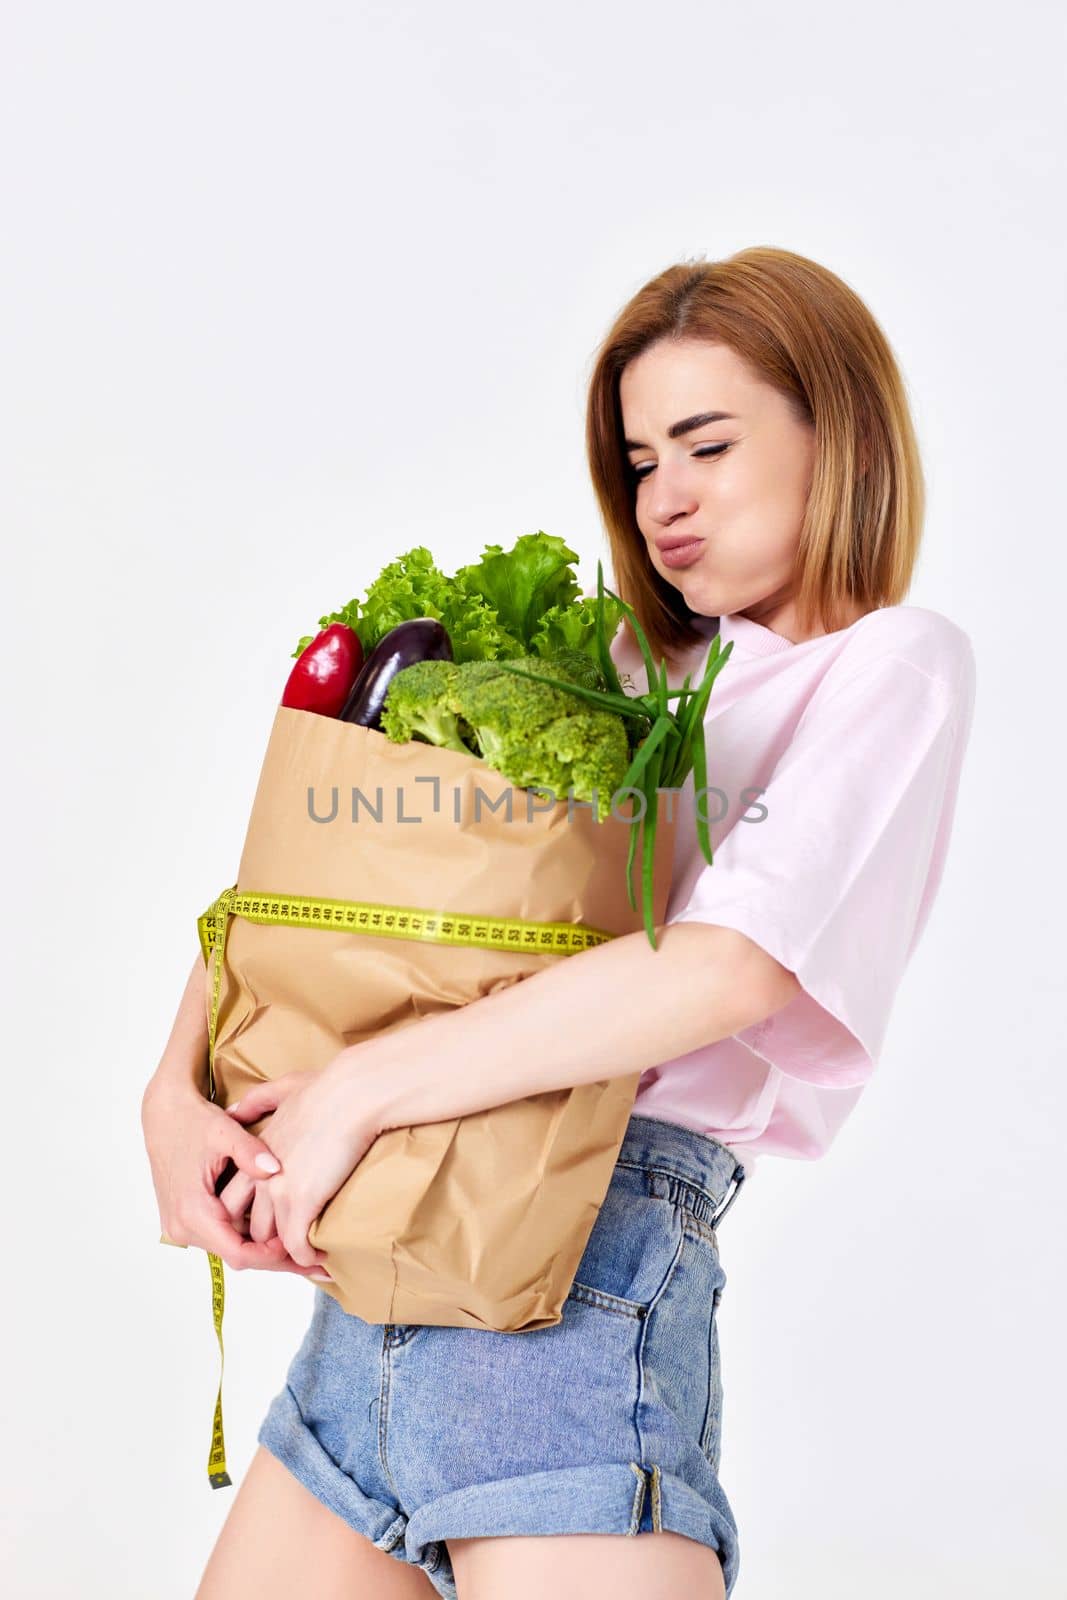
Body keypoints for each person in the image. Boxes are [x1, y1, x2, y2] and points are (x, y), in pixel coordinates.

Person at [142, 245, 977, 1600]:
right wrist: (172, 1094)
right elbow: (320, 884)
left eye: (706, 444)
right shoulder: (615, 672)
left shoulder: (886, 668)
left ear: (843, 435)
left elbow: (726, 968)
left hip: (576, 1288)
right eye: (642, 461)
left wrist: (357, 1090)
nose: (664, 498)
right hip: (369, 1309)